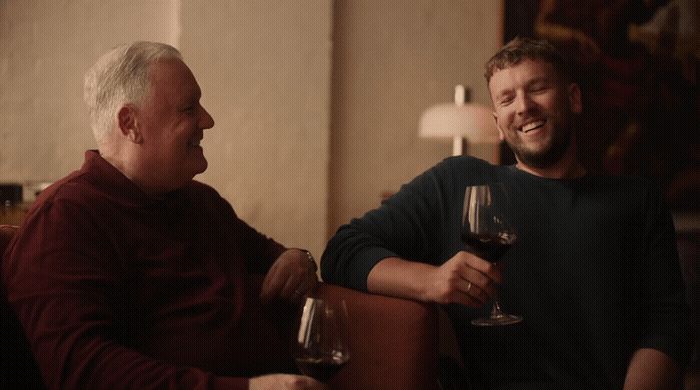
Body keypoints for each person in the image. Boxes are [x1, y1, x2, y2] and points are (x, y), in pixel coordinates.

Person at [321, 37, 691, 389]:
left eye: (538, 88)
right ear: (498, 124)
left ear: (574, 98)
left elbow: (667, 324)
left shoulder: (636, 199)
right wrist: (431, 281)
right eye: (507, 98)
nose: (523, 106)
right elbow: (343, 251)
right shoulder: (457, 182)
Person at [1, 41, 325, 390]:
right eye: (189, 108)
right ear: (131, 124)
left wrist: (300, 259)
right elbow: (81, 370)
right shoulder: (65, 217)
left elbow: (277, 258)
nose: (208, 120)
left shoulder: (200, 202)